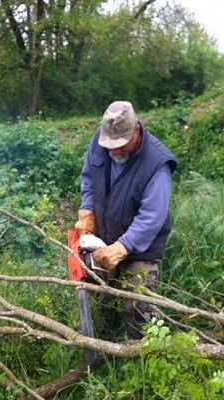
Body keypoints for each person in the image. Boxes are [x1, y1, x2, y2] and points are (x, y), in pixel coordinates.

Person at [75, 101, 177, 338]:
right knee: (104, 300)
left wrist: (124, 246)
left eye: (121, 145)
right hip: (104, 239)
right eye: (110, 145)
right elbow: (88, 178)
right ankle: (108, 350)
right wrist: (87, 210)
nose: (114, 151)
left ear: (136, 131)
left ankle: (143, 360)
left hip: (141, 249)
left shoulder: (157, 164)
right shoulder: (100, 142)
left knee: (138, 311)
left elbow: (152, 217)